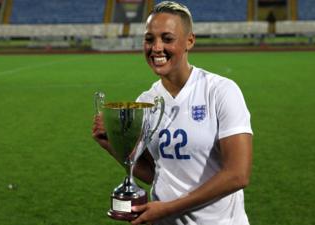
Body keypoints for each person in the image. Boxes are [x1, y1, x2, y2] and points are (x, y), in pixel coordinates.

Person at [92, 1, 253, 225]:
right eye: (149, 39)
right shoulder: (145, 102)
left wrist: (168, 209)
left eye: (167, 39)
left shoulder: (220, 91)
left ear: (190, 41)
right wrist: (110, 144)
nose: (156, 48)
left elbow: (237, 174)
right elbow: (155, 172)